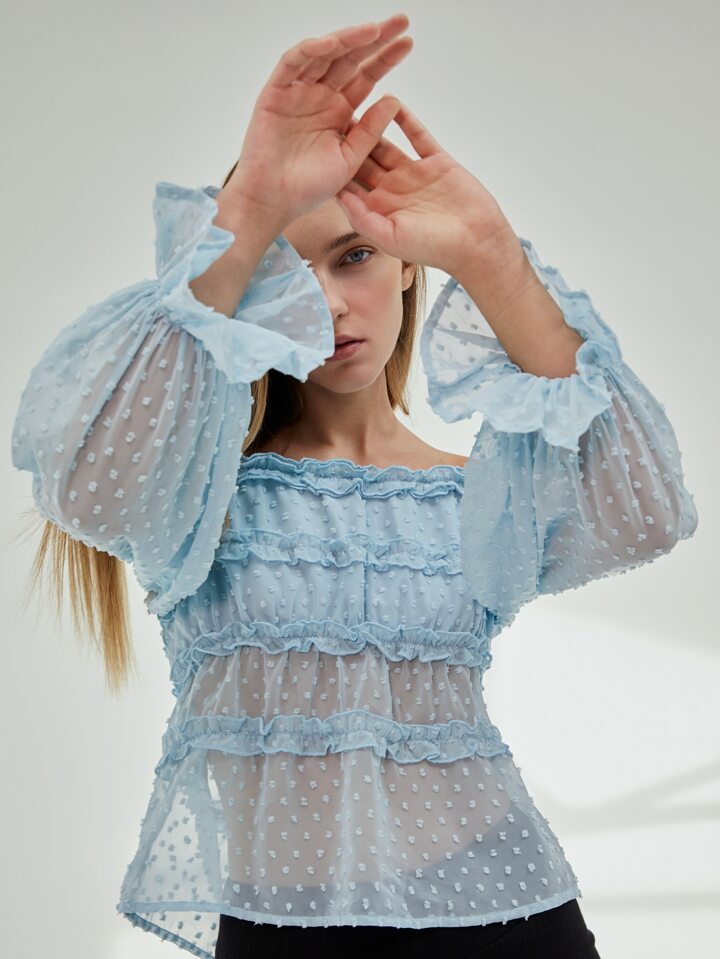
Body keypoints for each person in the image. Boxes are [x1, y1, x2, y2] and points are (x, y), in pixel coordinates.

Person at [10, 12, 698, 959]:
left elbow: (649, 512)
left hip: (502, 910)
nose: (329, 302)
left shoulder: (477, 495)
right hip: (281, 926)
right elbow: (83, 479)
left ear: (407, 265)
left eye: (355, 255)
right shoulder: (198, 495)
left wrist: (490, 253)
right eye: (287, 272)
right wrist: (250, 205)